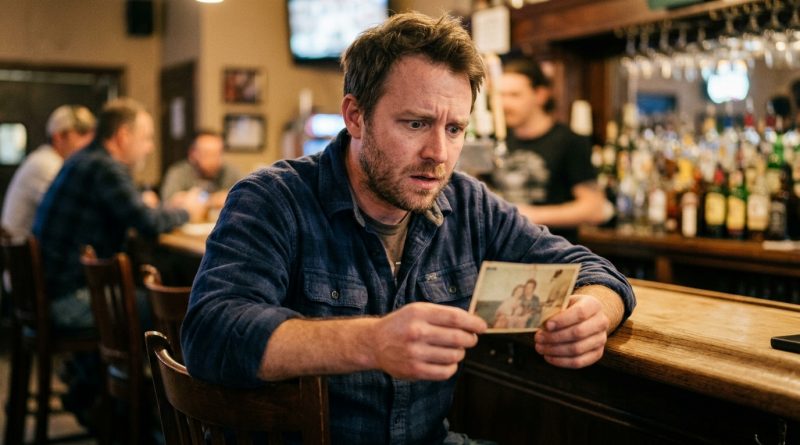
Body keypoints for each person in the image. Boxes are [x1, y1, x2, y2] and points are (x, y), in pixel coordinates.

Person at [182, 12, 635, 444]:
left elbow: (592, 269)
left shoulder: (467, 203)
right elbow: (211, 334)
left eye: (455, 129)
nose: (438, 152)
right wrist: (371, 341)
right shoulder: (273, 199)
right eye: (416, 123)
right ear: (355, 116)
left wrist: (596, 310)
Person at [33, 97, 206, 330]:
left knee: (167, 296)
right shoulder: (105, 167)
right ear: (124, 136)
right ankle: (164, 367)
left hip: (50, 291)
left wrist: (162, 209)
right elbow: (149, 223)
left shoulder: (85, 159)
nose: (150, 147)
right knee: (180, 309)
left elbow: (137, 212)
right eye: (146, 138)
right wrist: (187, 211)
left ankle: (100, 366)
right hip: (70, 298)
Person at [498, 58, 609, 242]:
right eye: (501, 95)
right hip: (502, 255)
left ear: (540, 95)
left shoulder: (570, 141)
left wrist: (528, 215)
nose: (504, 104)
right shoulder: (499, 139)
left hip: (552, 258)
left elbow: (594, 209)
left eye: (514, 95)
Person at [1, 105, 96, 238]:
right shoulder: (46, 164)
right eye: (80, 133)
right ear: (58, 137)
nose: (87, 142)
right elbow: (69, 209)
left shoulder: (52, 160)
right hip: (21, 251)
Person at [160, 129, 242, 210]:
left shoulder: (230, 172)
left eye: (219, 154)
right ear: (193, 154)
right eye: (208, 154)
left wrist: (197, 200)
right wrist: (212, 200)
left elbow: (242, 197)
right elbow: (169, 202)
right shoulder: (178, 173)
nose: (215, 160)